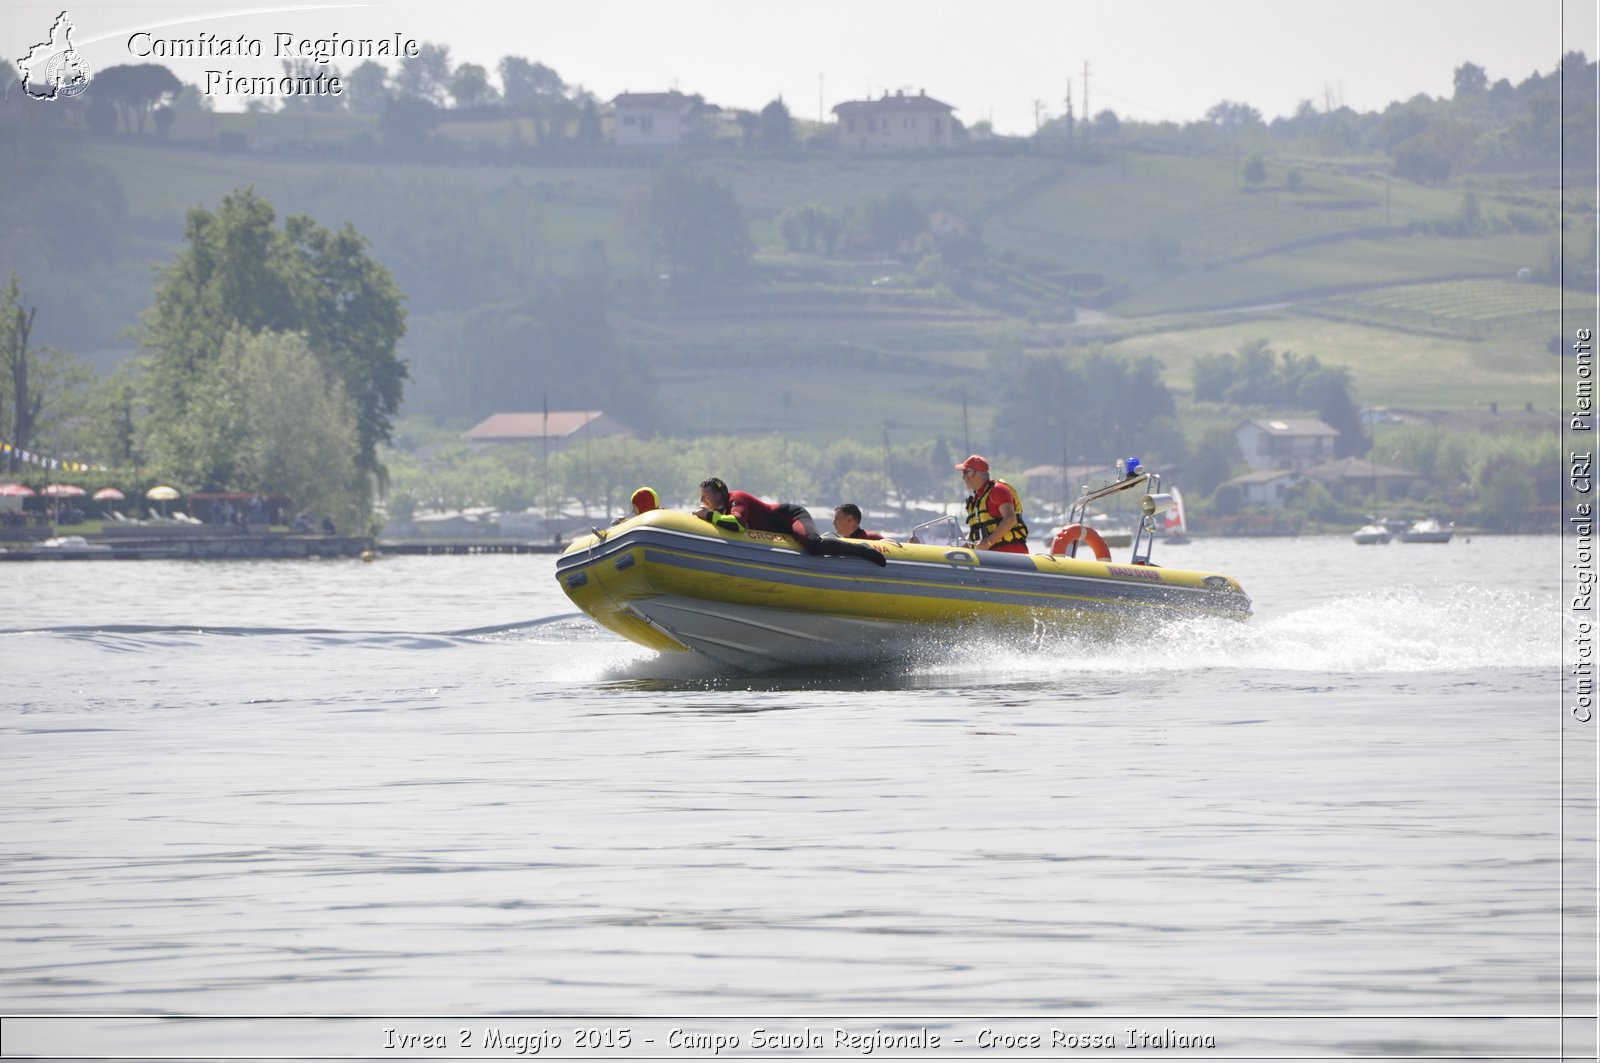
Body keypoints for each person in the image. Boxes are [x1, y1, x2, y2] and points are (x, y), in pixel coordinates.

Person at [695, 477, 886, 567]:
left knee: (813, 545)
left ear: (719, 494)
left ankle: (861, 550)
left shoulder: (737, 498)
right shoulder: (722, 511)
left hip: (792, 517)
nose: (703, 502)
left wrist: (708, 515)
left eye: (706, 497)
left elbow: (736, 524)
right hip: (778, 529)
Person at [955, 454, 1029, 553]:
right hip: (990, 557)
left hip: (1010, 555)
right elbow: (975, 531)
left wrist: (988, 542)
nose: (963, 477)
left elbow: (1010, 519)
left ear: (973, 473)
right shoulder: (976, 498)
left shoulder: (997, 490)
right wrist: (960, 549)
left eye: (964, 472)